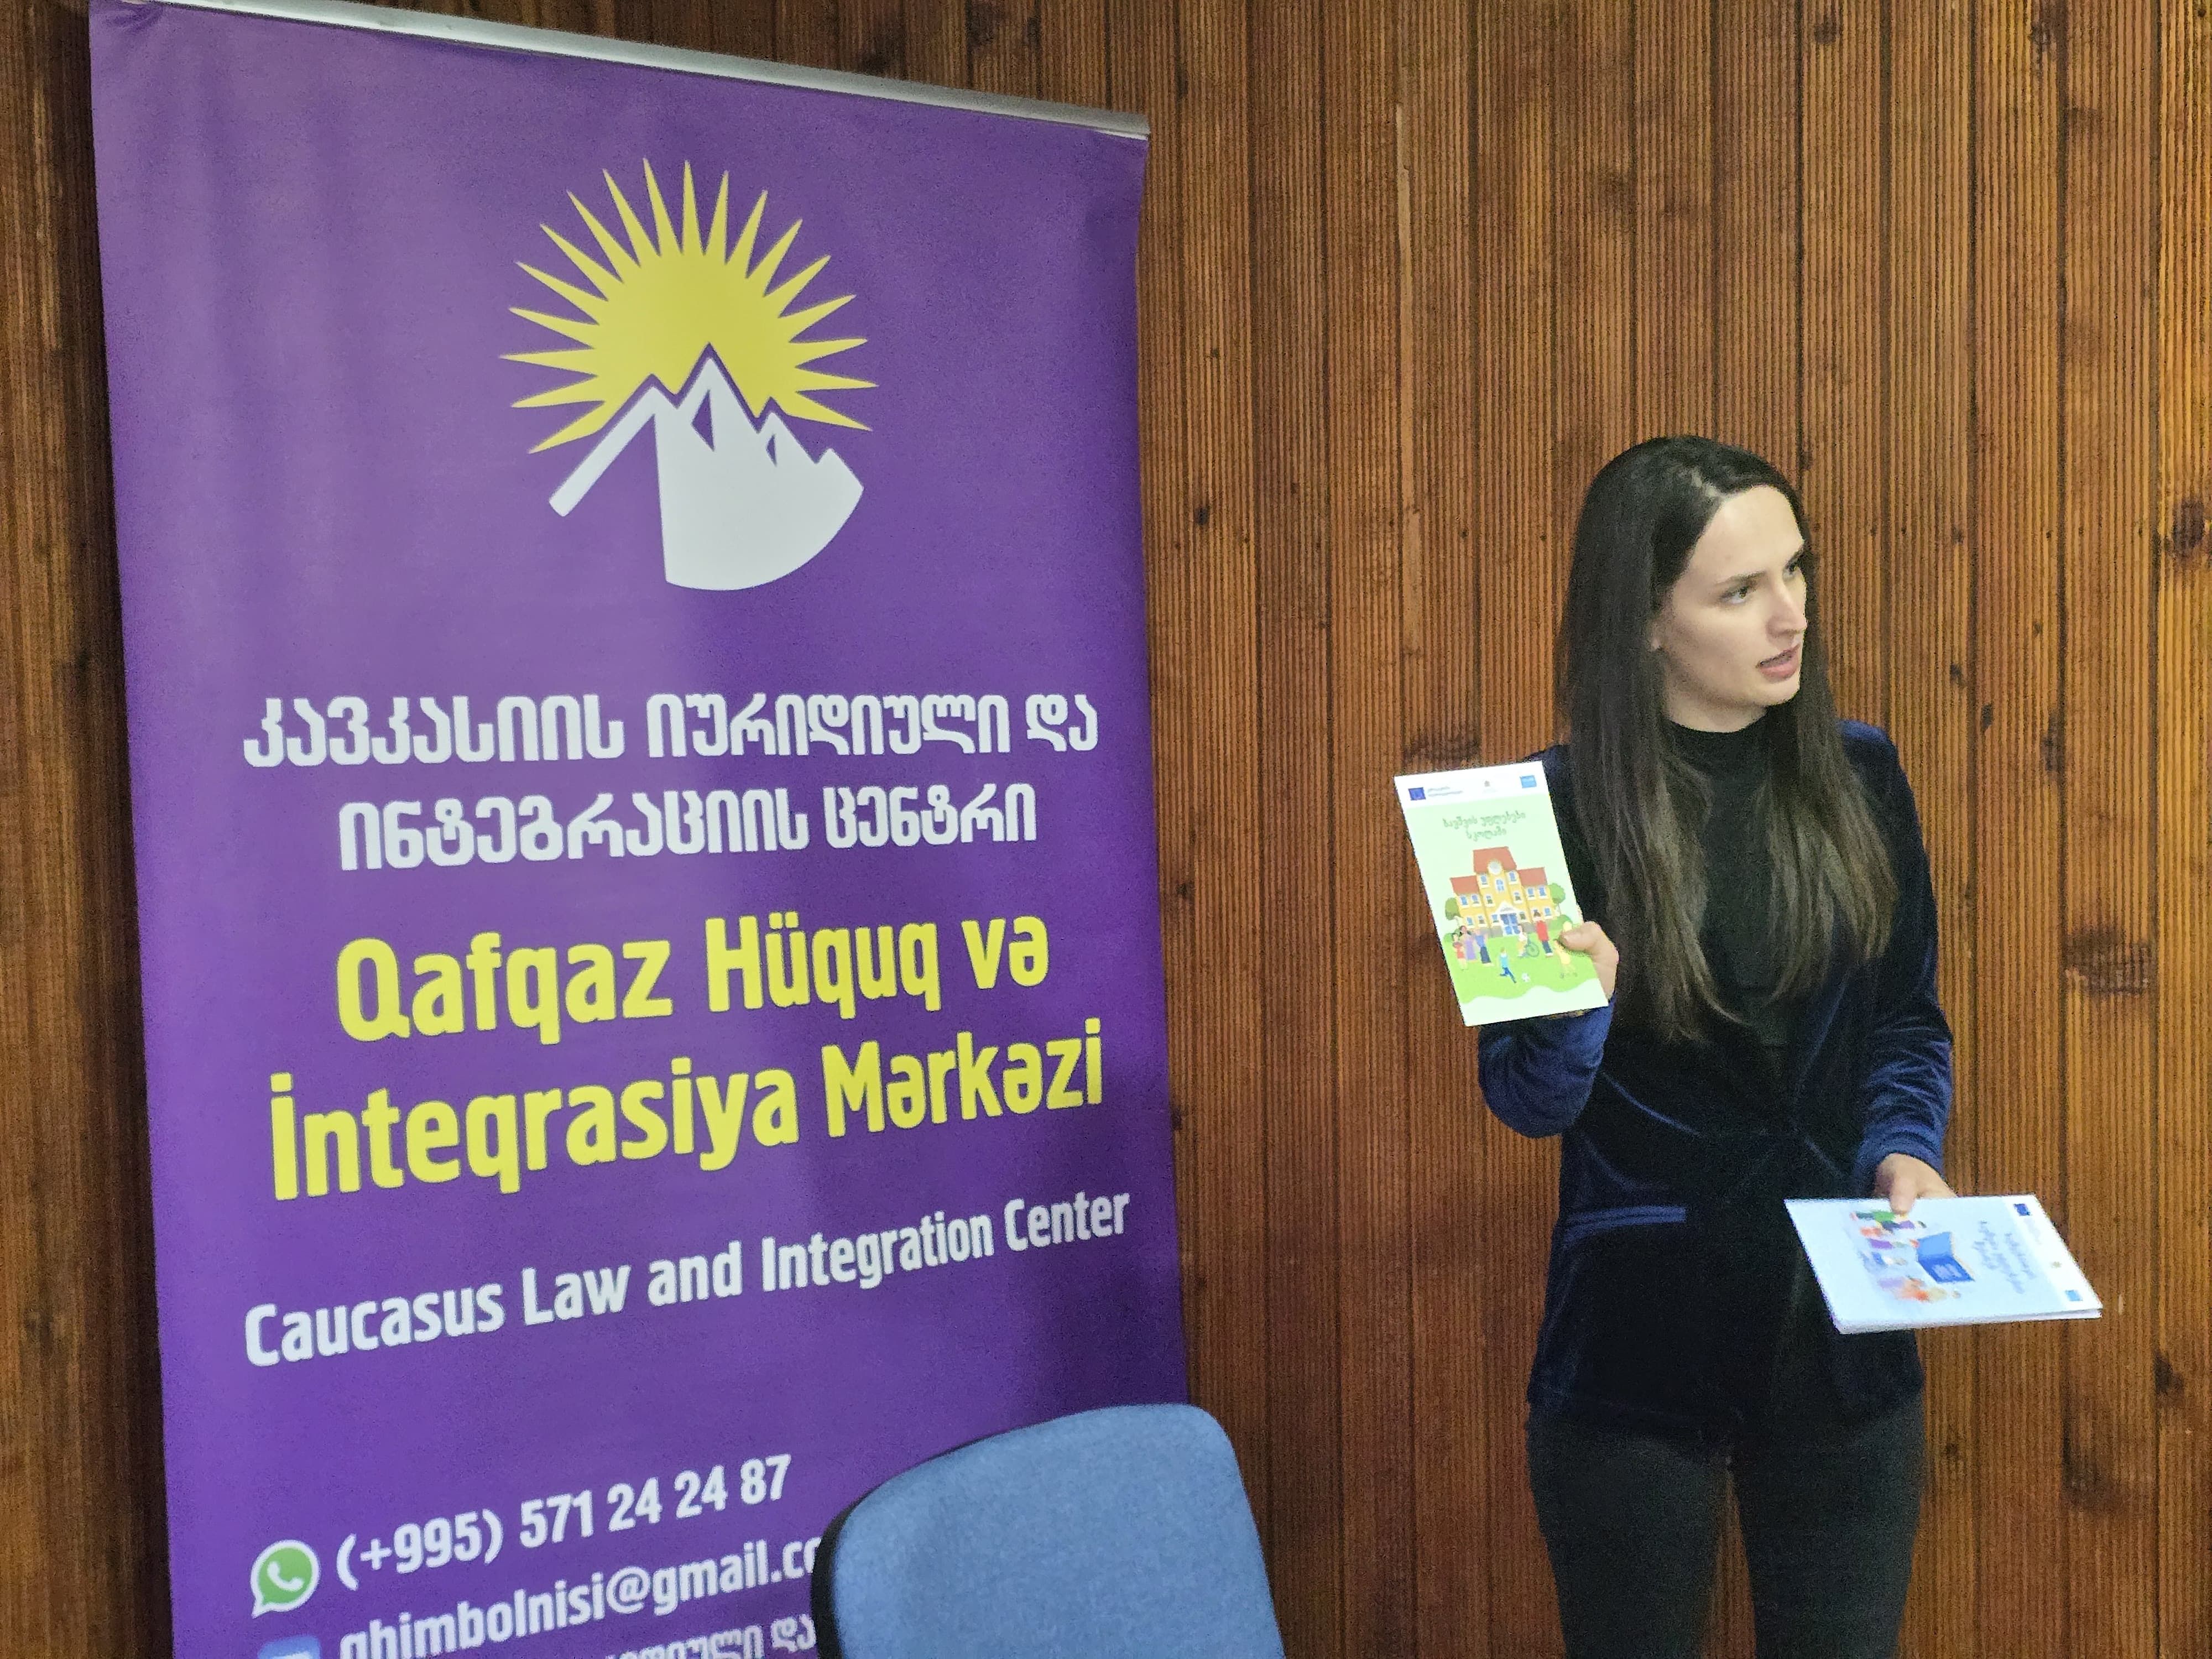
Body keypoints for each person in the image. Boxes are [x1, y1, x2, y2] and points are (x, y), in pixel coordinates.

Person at [1477, 436, 1954, 1659]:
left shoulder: (1861, 773)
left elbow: (1903, 1021)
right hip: (1635, 1356)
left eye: (1794, 572)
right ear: (1643, 620)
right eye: (1740, 590)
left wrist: (1905, 1151)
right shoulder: (1521, 818)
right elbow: (1525, 1100)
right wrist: (1574, 1010)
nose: (1790, 616)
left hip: (1841, 1340)